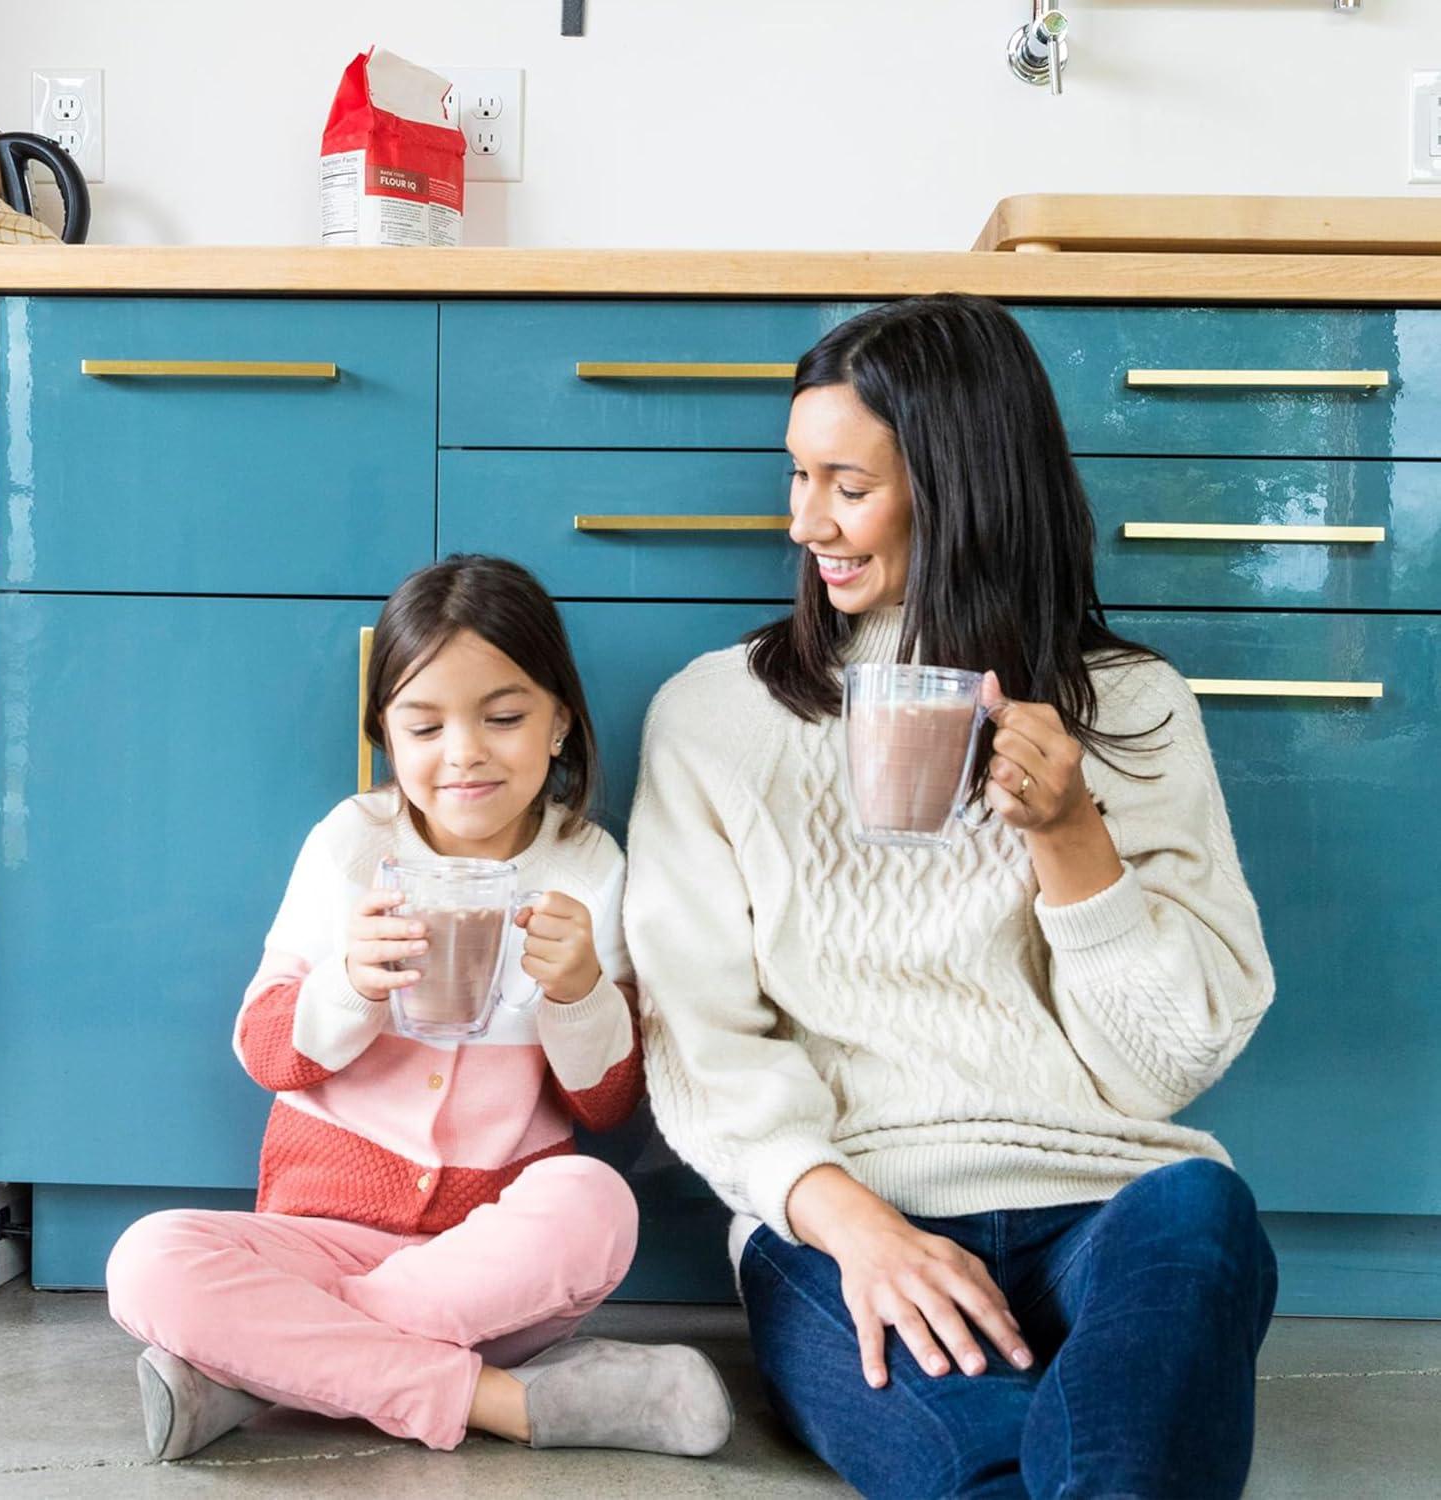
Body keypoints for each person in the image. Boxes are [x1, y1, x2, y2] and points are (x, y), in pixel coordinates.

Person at [626, 295, 1278, 1498]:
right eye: (798, 477)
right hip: (842, 1217)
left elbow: (1166, 1067)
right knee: (1019, 1467)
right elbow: (701, 1038)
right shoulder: (715, 719)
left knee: (1204, 1212)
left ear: (959, 484)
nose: (804, 520)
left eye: (846, 484)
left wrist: (1072, 839)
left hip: (1108, 1203)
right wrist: (856, 1227)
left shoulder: (1130, 711)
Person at [106, 555, 733, 1463]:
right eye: (424, 725)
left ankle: (261, 1372)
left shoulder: (588, 865)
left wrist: (579, 995)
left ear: (559, 722)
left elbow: (606, 1108)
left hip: (488, 1274)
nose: (464, 752)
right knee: (148, 1258)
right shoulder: (351, 844)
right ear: (385, 736)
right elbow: (262, 1049)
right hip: (319, 1241)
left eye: (505, 717)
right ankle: (506, 1403)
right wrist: (349, 987)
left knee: (597, 1202)